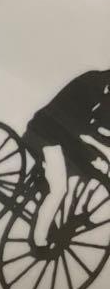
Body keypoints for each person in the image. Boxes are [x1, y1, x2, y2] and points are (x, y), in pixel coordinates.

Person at [24, 69, 110, 248]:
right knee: (59, 189)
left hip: (57, 136)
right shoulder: (93, 85)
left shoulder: (100, 85)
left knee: (86, 169)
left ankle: (46, 190)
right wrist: (92, 151)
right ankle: (39, 241)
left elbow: (93, 125)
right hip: (47, 135)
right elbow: (78, 126)